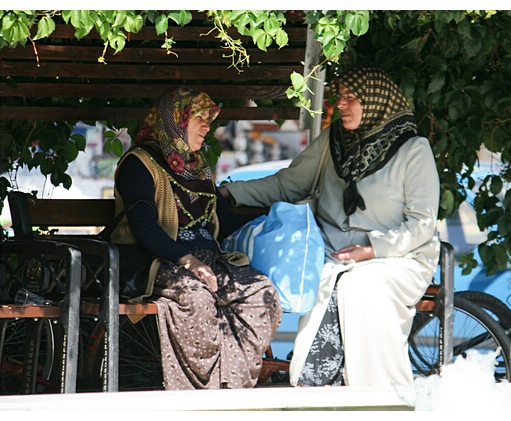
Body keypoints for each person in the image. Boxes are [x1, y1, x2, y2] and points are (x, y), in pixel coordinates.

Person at [219, 65, 441, 387]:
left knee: (361, 285)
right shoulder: (334, 141)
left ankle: (381, 395)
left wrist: (371, 250)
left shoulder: (412, 150)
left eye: (352, 98)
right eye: (340, 97)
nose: (342, 105)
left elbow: (422, 225)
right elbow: (288, 184)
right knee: (329, 277)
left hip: (398, 258)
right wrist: (230, 192)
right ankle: (319, 387)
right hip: (337, 255)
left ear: (375, 101)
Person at [111, 87, 282, 389]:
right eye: (199, 118)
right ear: (176, 119)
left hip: (208, 262)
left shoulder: (196, 165)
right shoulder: (139, 164)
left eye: (208, 119)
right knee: (196, 298)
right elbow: (144, 227)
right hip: (159, 261)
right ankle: (201, 393)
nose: (207, 126)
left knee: (260, 292)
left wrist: (274, 216)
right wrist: (186, 260)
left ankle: (232, 387)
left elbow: (224, 221)